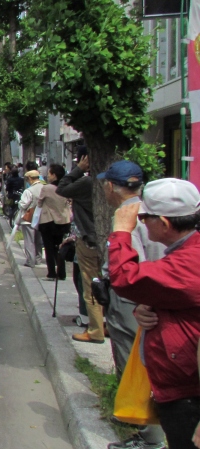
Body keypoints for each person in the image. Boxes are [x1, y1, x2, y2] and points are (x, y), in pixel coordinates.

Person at [108, 178, 200, 449]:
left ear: (164, 223)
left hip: (187, 392)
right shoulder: (187, 252)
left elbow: (125, 277)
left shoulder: (188, 262)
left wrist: (122, 232)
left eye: (144, 218)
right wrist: (150, 306)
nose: (141, 223)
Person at [98, 161, 167, 449]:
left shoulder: (128, 216)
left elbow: (130, 269)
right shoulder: (155, 211)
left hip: (135, 303)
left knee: (135, 363)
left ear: (111, 186)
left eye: (105, 183)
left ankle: (150, 437)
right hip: (154, 299)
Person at [57, 146, 104, 344]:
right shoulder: (110, 181)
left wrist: (78, 169)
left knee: (90, 284)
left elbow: (62, 187)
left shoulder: (87, 182)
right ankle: (106, 324)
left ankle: (95, 330)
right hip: (112, 240)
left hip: (90, 239)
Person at [37, 165, 72, 281]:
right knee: (59, 247)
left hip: (48, 221)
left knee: (49, 248)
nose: (48, 175)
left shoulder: (47, 188)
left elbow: (39, 203)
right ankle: (62, 273)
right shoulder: (67, 187)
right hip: (63, 221)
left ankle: (51, 273)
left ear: (54, 175)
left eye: (50, 173)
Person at [15, 170, 45, 268]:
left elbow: (23, 205)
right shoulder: (44, 188)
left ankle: (30, 261)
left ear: (30, 179)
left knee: (29, 240)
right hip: (41, 217)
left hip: (29, 218)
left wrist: (19, 203)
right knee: (38, 239)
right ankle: (38, 259)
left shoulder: (29, 191)